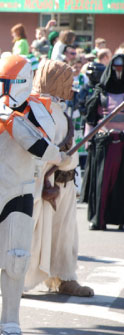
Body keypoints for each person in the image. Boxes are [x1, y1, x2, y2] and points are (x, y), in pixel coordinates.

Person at [0, 55, 71, 335]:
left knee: (15, 260)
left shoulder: (38, 108)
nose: (6, 87)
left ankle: (10, 320)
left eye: (12, 81)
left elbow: (43, 148)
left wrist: (12, 120)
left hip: (17, 193)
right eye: (1, 81)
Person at [24, 58, 94, 297]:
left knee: (64, 235)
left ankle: (64, 277)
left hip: (65, 183)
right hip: (44, 183)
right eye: (66, 79)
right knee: (35, 235)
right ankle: (20, 280)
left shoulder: (59, 110)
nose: (71, 84)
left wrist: (67, 161)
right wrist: (59, 159)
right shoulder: (35, 110)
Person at [81, 54, 124, 231]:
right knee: (101, 183)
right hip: (103, 143)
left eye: (122, 68)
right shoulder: (101, 93)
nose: (119, 72)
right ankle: (98, 219)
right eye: (116, 68)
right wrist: (88, 140)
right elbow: (91, 119)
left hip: (123, 143)